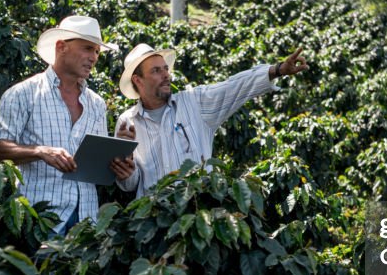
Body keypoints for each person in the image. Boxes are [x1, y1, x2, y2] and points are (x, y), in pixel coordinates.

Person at [0, 14, 133, 275]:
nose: (93, 58)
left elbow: (94, 165)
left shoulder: (97, 104)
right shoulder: (23, 94)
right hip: (40, 217)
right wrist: (40, 151)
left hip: (83, 222)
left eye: (97, 52)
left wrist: (118, 164)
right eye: (87, 49)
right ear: (61, 47)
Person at [114, 43, 308, 197]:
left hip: (197, 215)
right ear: (137, 80)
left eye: (166, 69)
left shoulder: (195, 103)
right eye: (156, 71)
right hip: (154, 223)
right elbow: (130, 185)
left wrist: (277, 70)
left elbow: (234, 86)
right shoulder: (127, 122)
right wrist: (126, 168)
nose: (166, 75)